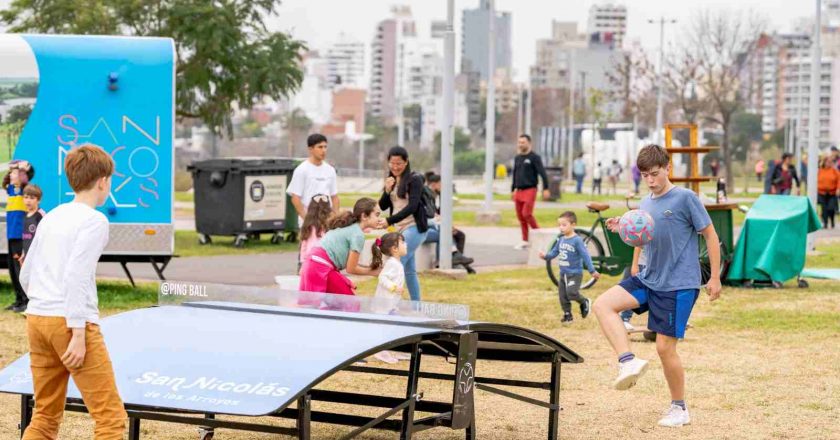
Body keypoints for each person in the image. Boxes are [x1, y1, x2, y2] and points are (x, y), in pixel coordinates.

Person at [592, 144, 722, 428]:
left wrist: (714, 277)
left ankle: (679, 408)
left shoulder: (686, 198)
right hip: (648, 277)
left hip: (678, 285)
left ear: (668, 169)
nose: (650, 180)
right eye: (645, 175)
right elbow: (642, 235)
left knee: (664, 349)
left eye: (655, 174)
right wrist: (624, 227)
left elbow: (711, 236)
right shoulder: (646, 201)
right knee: (602, 305)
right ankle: (628, 361)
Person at [19, 144, 127, 439]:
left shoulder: (52, 216)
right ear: (103, 181)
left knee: (44, 416)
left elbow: (26, 272)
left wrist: (42, 302)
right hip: (69, 322)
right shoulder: (95, 221)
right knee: (110, 419)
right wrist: (78, 333)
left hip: (38, 318)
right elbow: (76, 276)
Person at [299, 198, 386, 294]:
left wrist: (371, 268)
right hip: (319, 266)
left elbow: (351, 264)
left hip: (314, 264)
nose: (379, 219)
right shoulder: (357, 234)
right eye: (377, 215)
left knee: (336, 303)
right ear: (364, 216)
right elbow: (351, 269)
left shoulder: (352, 229)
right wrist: (374, 272)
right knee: (349, 303)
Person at [379, 147, 429, 302]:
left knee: (395, 265)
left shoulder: (415, 180)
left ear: (406, 162)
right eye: (392, 163)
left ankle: (389, 303)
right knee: (409, 271)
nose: (395, 167)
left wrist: (389, 221)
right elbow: (382, 206)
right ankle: (416, 307)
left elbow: (412, 206)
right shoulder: (392, 179)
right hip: (400, 230)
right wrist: (387, 190)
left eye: (399, 163)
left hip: (414, 228)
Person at [539, 211, 600, 323]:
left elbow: (585, 255)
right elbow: (554, 252)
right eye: (559, 225)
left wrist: (592, 270)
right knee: (562, 296)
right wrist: (545, 256)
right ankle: (568, 315)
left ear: (573, 225)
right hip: (563, 273)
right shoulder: (561, 239)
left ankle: (584, 301)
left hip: (575, 273)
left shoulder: (577, 240)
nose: (561, 228)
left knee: (571, 293)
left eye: (564, 225)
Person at [423, 174, 475, 273]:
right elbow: (428, 217)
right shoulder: (426, 196)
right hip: (430, 227)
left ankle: (458, 261)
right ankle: (453, 260)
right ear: (434, 184)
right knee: (445, 233)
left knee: (460, 235)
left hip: (437, 225)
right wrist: (443, 225)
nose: (443, 187)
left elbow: (441, 213)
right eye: (441, 184)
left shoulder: (436, 196)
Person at [371, 232, 408, 363]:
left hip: (391, 303)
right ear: (395, 248)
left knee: (394, 325)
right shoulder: (392, 263)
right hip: (384, 303)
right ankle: (380, 352)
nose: (406, 244)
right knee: (384, 327)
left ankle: (393, 349)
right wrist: (393, 287)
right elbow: (382, 277)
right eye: (403, 242)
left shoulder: (396, 263)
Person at [4, 160, 34, 313]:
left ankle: (26, 300)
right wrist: (12, 169)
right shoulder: (12, 190)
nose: (11, 175)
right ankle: (18, 300)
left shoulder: (24, 191)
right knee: (12, 268)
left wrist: (22, 169)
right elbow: (6, 181)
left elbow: (26, 178)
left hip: (19, 236)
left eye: (14, 174)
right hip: (11, 236)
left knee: (19, 269)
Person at [511, 134, 550, 250]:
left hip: (530, 189)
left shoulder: (534, 157)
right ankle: (525, 240)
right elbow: (515, 174)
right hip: (519, 190)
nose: (520, 144)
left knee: (526, 214)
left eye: (523, 142)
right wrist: (512, 189)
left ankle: (539, 236)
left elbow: (542, 173)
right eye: (519, 142)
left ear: (529, 143)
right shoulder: (517, 158)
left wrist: (546, 188)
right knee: (520, 217)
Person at [298, 194, 332, 273]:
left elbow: (304, 245)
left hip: (310, 260)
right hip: (325, 261)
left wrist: (302, 263)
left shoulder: (308, 225)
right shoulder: (330, 226)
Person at [20, 184, 46, 265]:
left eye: (32, 198)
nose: (28, 200)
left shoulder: (41, 215)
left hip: (38, 256)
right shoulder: (24, 215)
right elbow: (25, 236)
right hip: (27, 255)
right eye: (26, 197)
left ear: (38, 200)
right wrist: (24, 253)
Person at [817, 156, 840, 229]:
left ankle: (832, 221)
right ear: (824, 162)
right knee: (824, 208)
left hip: (832, 193)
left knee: (831, 208)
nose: (829, 163)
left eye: (830, 162)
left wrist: (838, 189)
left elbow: (839, 180)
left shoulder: (834, 171)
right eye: (828, 162)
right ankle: (825, 223)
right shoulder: (820, 171)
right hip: (822, 193)